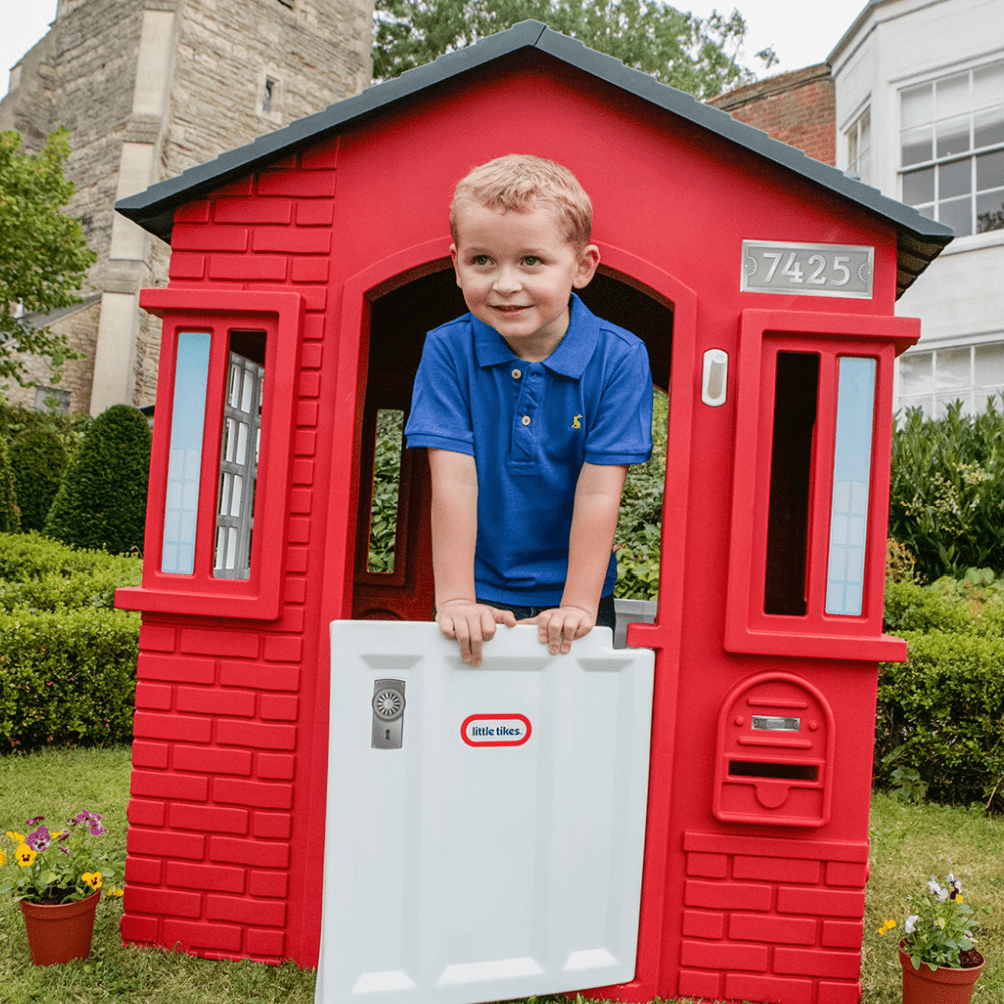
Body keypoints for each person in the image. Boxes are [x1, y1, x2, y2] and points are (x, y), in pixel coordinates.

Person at [406, 154, 653, 665]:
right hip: (476, 592)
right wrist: (456, 599)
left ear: (582, 267)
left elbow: (598, 490)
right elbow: (454, 481)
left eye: (531, 261)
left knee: (571, 712)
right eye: (482, 260)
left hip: (579, 593)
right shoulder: (447, 350)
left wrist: (578, 605)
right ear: (456, 265)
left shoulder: (619, 357)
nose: (505, 283)